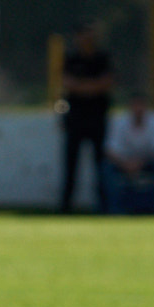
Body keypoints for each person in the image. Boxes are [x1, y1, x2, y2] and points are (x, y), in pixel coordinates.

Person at [58, 23, 113, 211]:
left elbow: (106, 84)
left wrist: (82, 87)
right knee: (71, 163)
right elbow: (68, 84)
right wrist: (92, 87)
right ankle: (66, 205)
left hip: (97, 118)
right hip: (75, 119)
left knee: (101, 163)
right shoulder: (71, 59)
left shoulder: (102, 58)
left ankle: (104, 204)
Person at [103, 90, 154, 213]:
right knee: (107, 168)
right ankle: (114, 210)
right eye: (135, 105)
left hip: (147, 162)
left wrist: (140, 163)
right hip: (122, 162)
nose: (138, 109)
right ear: (130, 106)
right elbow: (110, 150)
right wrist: (125, 164)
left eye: (141, 105)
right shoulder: (119, 121)